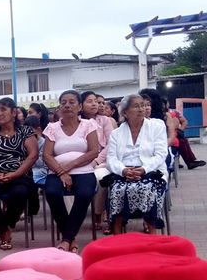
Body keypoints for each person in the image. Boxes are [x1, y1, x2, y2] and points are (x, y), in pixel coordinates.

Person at [0, 97, 39, 250]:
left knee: (20, 193)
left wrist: (16, 173)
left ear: (13, 113)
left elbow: (33, 155)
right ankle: (4, 230)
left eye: (3, 109)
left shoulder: (25, 131)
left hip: (20, 176)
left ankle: (2, 226)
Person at [42, 90, 99, 253]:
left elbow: (93, 151)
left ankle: (66, 239)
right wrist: (61, 172)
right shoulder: (52, 128)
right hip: (56, 172)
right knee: (52, 192)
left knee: (85, 194)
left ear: (80, 106)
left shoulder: (88, 125)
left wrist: (69, 166)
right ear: (59, 107)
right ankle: (70, 239)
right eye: (64, 103)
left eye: (72, 102)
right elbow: (47, 155)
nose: (67, 106)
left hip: (84, 170)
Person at [106, 94, 168, 234]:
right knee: (117, 190)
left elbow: (160, 154)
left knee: (147, 188)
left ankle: (152, 235)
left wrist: (144, 169)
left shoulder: (156, 127)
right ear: (125, 113)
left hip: (151, 170)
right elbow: (111, 159)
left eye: (143, 105)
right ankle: (117, 237)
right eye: (136, 106)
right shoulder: (116, 133)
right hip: (125, 171)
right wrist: (123, 170)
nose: (141, 109)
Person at [80, 91, 115, 232]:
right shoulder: (77, 121)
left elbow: (111, 144)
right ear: (81, 105)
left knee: (100, 179)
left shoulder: (105, 120)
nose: (94, 104)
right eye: (89, 101)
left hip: (101, 162)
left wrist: (96, 161)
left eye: (95, 101)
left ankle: (98, 214)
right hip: (81, 162)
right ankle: (71, 218)